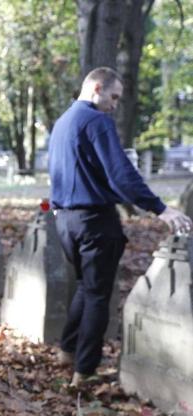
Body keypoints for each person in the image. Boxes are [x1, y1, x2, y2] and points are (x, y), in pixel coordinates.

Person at [48, 67, 192, 387]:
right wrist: (160, 208)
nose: (115, 104)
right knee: (99, 295)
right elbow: (121, 174)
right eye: (113, 97)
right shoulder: (97, 121)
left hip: (65, 222)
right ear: (97, 88)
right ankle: (84, 372)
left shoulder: (62, 123)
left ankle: (68, 351)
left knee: (86, 286)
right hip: (95, 221)